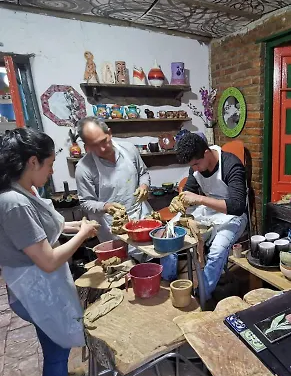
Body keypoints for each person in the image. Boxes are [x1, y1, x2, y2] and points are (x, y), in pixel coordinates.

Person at [0, 128, 99, 376]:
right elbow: (47, 259)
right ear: (33, 161)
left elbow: (42, 230)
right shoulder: (13, 202)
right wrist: (82, 234)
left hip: (38, 284)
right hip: (33, 289)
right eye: (50, 163)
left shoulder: (23, 190)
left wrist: (74, 226)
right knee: (55, 346)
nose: (52, 170)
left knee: (54, 340)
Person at [169, 133, 247, 300]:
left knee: (217, 250)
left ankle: (202, 295)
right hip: (209, 211)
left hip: (233, 216)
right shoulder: (196, 166)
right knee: (170, 231)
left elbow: (237, 206)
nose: (195, 169)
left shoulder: (231, 164)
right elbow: (189, 190)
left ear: (206, 153)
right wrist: (179, 200)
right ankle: (168, 284)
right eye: (192, 166)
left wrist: (200, 199)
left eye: (196, 164)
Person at [75, 116, 152, 242]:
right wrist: (106, 207)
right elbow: (86, 202)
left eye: (103, 141)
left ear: (109, 133)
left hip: (140, 215)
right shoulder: (84, 168)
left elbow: (143, 173)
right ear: (86, 146)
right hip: (111, 225)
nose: (102, 148)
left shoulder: (129, 150)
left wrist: (144, 186)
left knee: (148, 251)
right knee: (122, 254)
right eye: (94, 145)